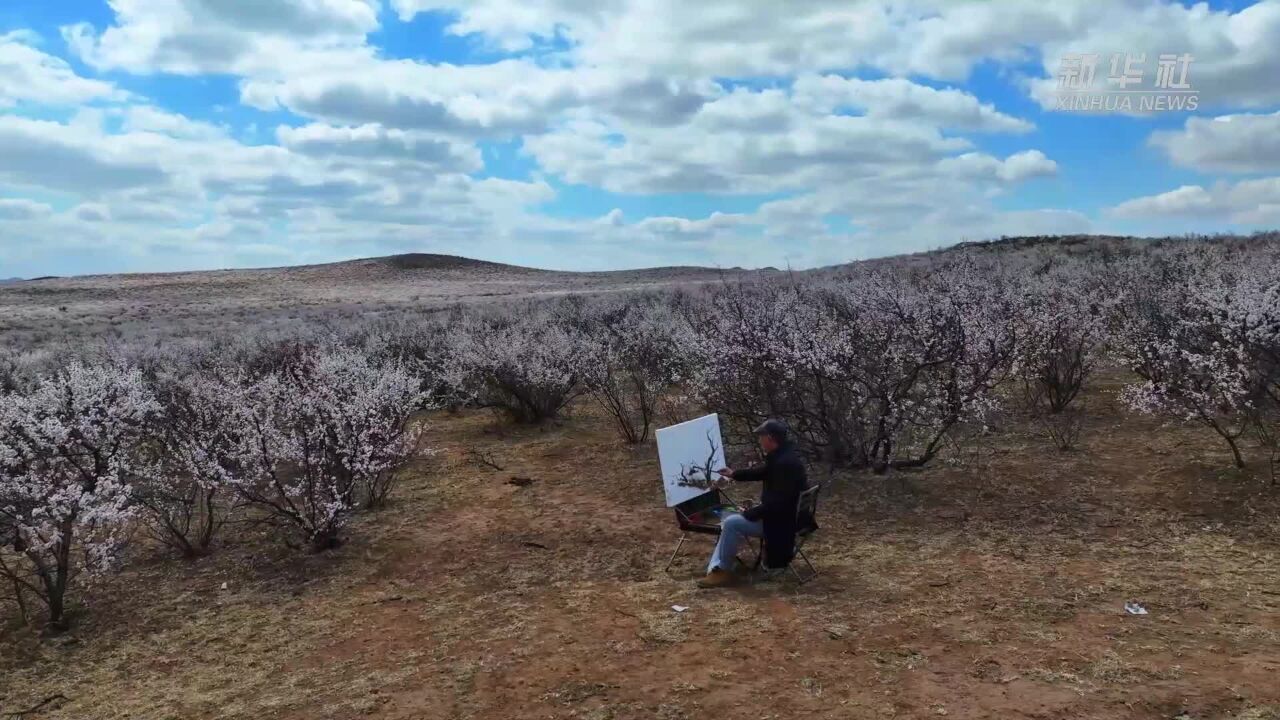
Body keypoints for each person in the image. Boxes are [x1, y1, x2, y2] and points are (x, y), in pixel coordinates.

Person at [697, 418, 808, 589]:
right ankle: (715, 569)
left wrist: (749, 513)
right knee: (731, 522)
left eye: (761, 437)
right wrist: (734, 474)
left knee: (731, 523)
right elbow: (763, 472)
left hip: (781, 524)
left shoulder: (784, 464)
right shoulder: (783, 457)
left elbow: (779, 505)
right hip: (785, 517)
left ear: (770, 438)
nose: (759, 440)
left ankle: (722, 571)